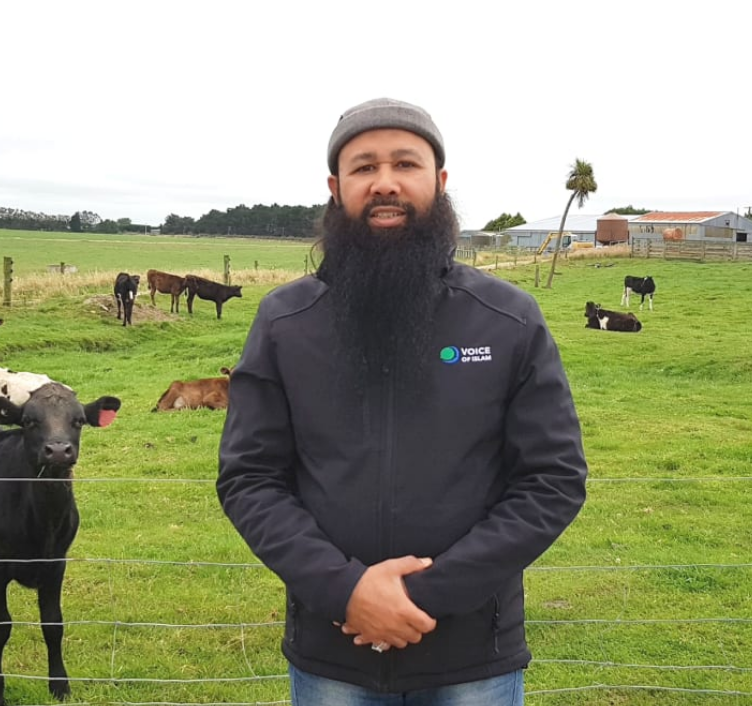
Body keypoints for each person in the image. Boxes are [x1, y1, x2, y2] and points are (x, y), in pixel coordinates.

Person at [216, 97, 587, 705]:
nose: (385, 183)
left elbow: (553, 480)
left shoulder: (508, 319)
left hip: (473, 658)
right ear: (336, 188)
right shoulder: (285, 322)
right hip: (332, 654)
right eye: (364, 168)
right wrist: (346, 592)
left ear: (438, 183)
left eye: (405, 164)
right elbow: (250, 479)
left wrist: (422, 597)